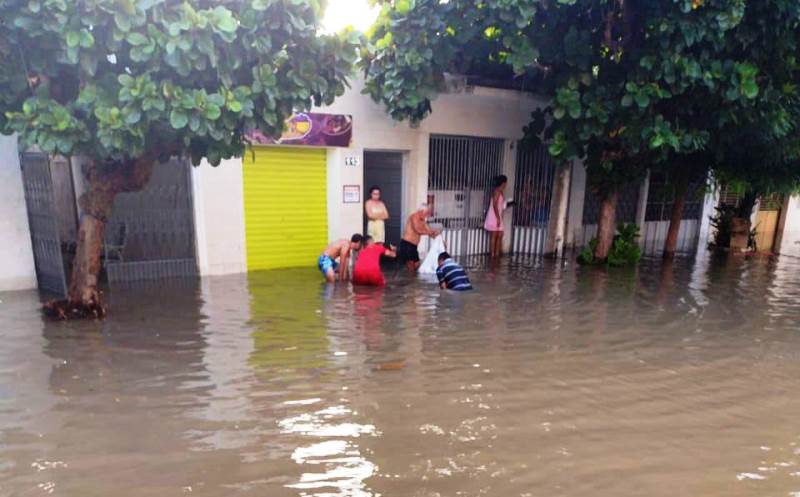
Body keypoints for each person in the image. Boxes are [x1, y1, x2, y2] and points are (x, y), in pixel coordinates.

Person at [398, 203, 440, 272]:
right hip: (407, 244)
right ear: (421, 211)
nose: (427, 215)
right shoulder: (413, 217)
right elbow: (418, 230)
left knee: (417, 264)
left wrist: (438, 238)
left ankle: (410, 278)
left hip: (414, 246)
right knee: (411, 266)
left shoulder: (423, 220)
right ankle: (409, 281)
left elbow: (429, 230)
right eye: (426, 213)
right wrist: (432, 232)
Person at [484, 174, 508, 258]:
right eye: (505, 183)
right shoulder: (497, 192)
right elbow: (494, 205)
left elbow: (499, 205)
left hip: (497, 216)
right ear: (503, 183)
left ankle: (496, 254)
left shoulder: (500, 192)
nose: (506, 185)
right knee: (494, 235)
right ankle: (493, 255)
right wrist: (498, 218)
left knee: (500, 234)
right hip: (494, 216)